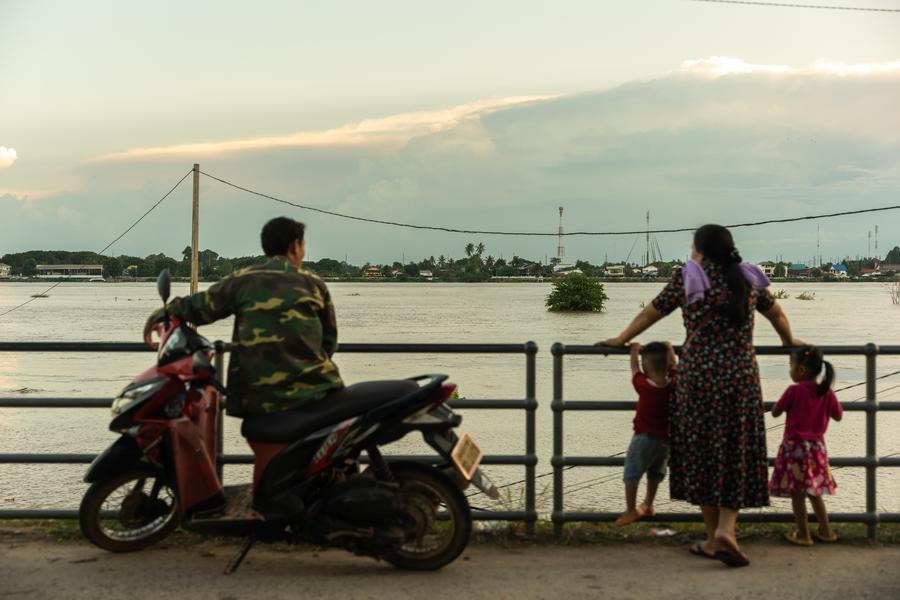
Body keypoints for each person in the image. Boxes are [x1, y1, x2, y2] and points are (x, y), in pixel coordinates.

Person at [599, 224, 803, 568]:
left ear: (701, 250)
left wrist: (622, 338)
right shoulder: (747, 279)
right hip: (740, 379)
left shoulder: (689, 278)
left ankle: (713, 539)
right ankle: (725, 532)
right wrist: (788, 342)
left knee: (703, 455)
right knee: (736, 452)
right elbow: (777, 314)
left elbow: (653, 311)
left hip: (697, 379)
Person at [143, 216, 344, 416]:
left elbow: (200, 307)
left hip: (255, 398)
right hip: (314, 393)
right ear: (295, 246)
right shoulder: (314, 284)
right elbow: (329, 342)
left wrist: (163, 313)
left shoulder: (244, 280)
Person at [769, 346, 842, 546]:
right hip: (817, 449)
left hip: (794, 450)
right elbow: (838, 415)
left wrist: (777, 406)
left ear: (800, 370)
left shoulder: (793, 391)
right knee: (815, 491)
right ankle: (826, 531)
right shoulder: (826, 393)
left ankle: (804, 534)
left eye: (790, 366)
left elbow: (776, 411)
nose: (790, 370)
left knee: (798, 494)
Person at [615, 341, 677, 526]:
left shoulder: (643, 385)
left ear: (645, 365)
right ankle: (649, 504)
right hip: (666, 439)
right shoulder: (674, 382)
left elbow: (634, 368)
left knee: (631, 472)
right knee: (656, 472)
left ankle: (631, 509)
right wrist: (669, 348)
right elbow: (674, 365)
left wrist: (634, 350)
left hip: (643, 438)